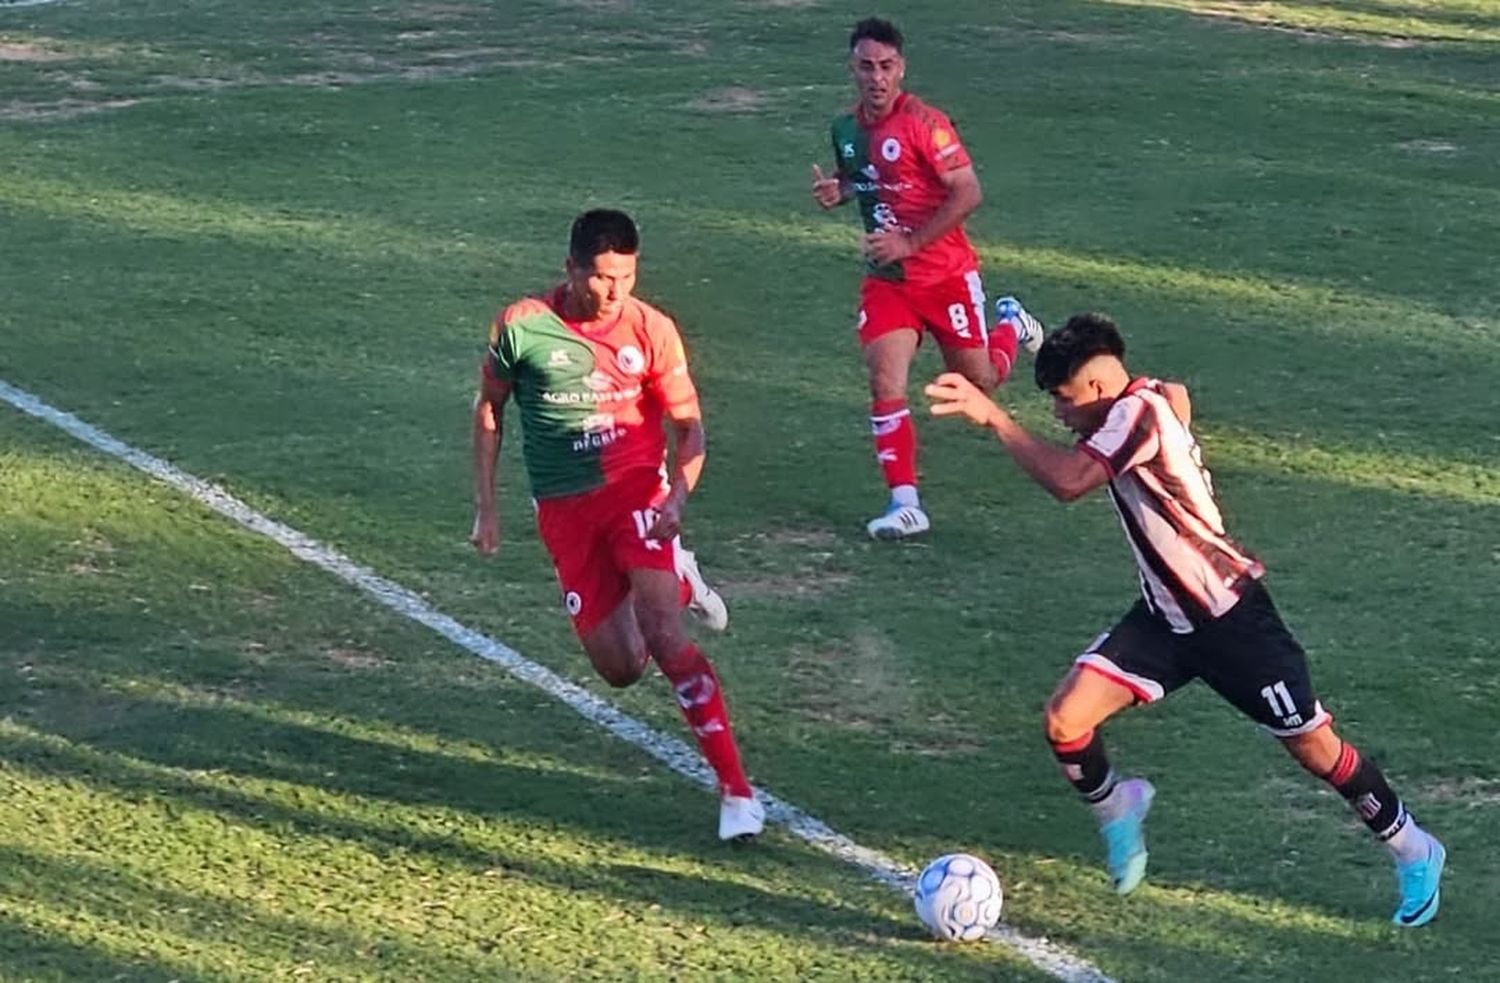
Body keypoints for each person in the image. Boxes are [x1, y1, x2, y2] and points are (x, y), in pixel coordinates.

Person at [923, 313, 1446, 925]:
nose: (1060, 416)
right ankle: (1118, 807)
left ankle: (1415, 848)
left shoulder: (1132, 416)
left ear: (1095, 387)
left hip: (1233, 621)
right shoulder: (1141, 403)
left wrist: (995, 418)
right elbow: (1176, 396)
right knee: (1066, 719)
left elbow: (1069, 483)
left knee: (1314, 747)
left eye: (1064, 402)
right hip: (1165, 619)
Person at [470, 208, 763, 841]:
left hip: (636, 490)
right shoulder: (521, 328)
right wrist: (488, 506)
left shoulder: (652, 331)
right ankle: (683, 580)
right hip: (563, 510)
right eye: (602, 277)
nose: (615, 292)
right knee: (623, 667)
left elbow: (690, 430)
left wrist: (677, 499)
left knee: (663, 635)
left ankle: (737, 793)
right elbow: (490, 409)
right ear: (571, 269)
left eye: (626, 277)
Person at [811, 16, 1043, 540]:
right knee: (884, 379)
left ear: (901, 69)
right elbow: (863, 177)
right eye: (866, 67)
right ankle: (905, 502)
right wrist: (839, 192)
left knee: (978, 383)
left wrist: (911, 242)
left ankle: (1010, 324)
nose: (876, 77)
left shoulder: (925, 123)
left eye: (886, 67)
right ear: (852, 69)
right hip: (889, 280)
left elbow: (968, 191)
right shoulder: (845, 129)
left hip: (946, 277)